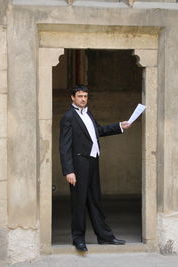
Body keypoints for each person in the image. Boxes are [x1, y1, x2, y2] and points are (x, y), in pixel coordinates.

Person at [59, 85, 131, 252]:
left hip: (92, 162)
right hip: (78, 166)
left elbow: (97, 131)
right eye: (80, 96)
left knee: (95, 200)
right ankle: (78, 239)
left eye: (85, 96)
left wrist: (119, 126)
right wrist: (68, 170)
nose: (83, 99)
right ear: (72, 98)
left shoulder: (88, 113)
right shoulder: (68, 117)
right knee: (79, 202)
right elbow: (64, 146)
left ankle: (104, 237)